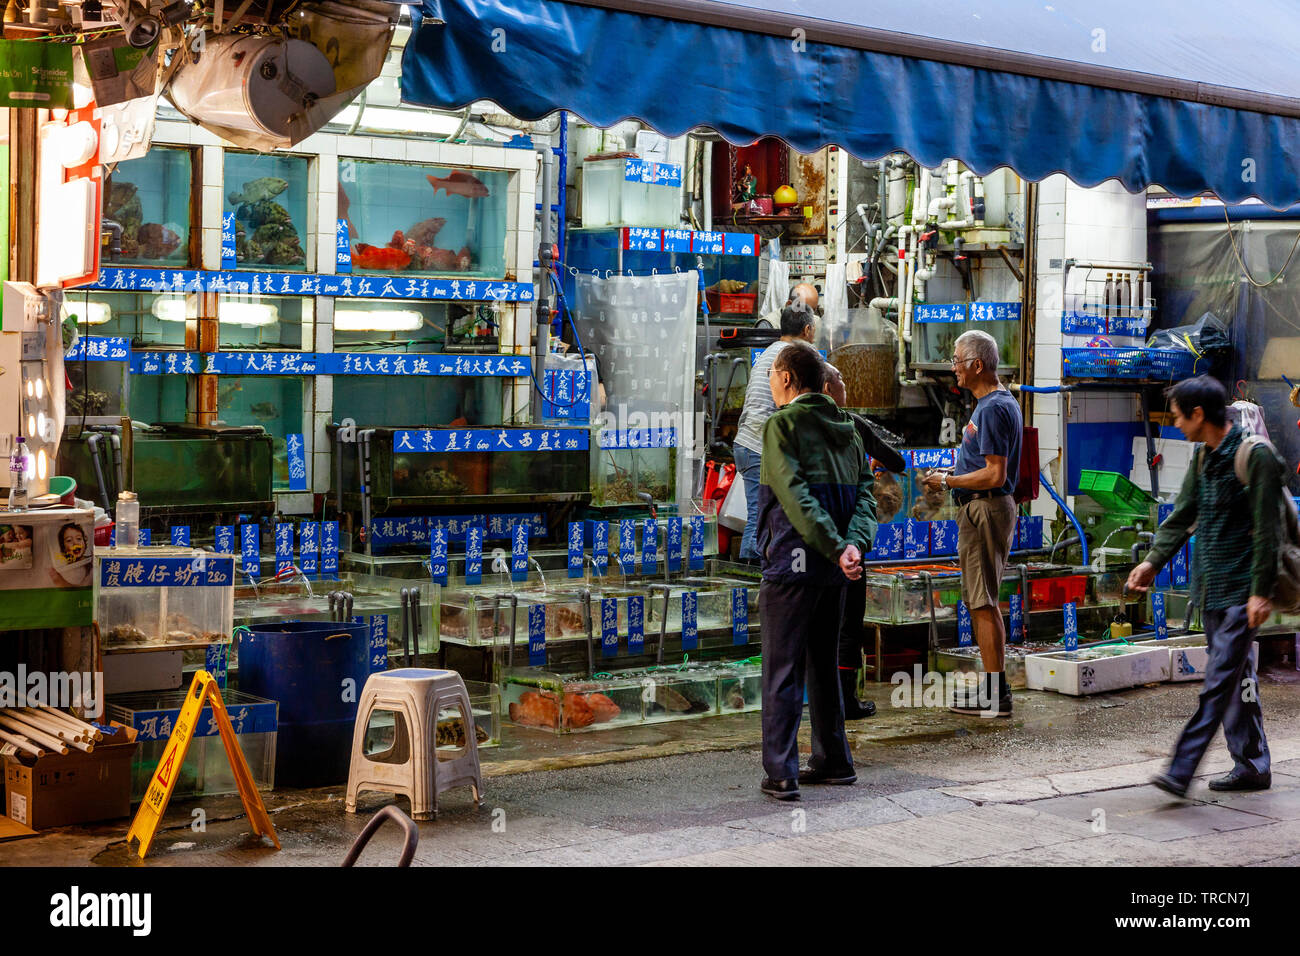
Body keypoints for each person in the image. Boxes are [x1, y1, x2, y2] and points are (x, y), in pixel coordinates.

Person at [1126, 375, 1283, 797]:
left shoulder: (1256, 457)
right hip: (1210, 590)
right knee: (1237, 679)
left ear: (1199, 414)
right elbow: (1182, 516)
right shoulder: (1202, 458)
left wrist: (1260, 590)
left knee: (1217, 683)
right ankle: (1252, 764)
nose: (1175, 423)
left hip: (1241, 591)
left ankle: (1180, 769)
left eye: (1178, 415)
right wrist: (1151, 562)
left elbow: (1269, 531)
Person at [756, 341, 877, 799]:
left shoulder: (781, 425)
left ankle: (781, 773)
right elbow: (867, 496)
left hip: (792, 564)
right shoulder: (848, 430)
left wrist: (832, 545)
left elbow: (794, 495)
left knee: (782, 669)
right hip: (835, 571)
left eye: (771, 375)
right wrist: (852, 547)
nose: (770, 384)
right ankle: (834, 760)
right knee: (823, 665)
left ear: (787, 378)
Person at [921, 330, 1021, 717]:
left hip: (985, 507)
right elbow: (983, 466)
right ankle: (995, 688)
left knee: (982, 602)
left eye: (958, 361)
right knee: (982, 601)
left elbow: (995, 475)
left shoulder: (993, 408)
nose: (954, 368)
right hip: (982, 505)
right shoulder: (992, 405)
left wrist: (948, 480)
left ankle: (996, 693)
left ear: (977, 365)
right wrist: (954, 471)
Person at [823, 361, 906, 719]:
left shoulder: (790, 427)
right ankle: (845, 701)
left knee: (822, 623)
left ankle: (822, 700)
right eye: (839, 378)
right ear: (827, 388)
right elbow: (897, 461)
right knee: (848, 623)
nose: (845, 382)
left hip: (813, 540)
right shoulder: (850, 423)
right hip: (849, 537)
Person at [732, 284, 819, 562]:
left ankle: (752, 574)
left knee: (761, 512)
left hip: (746, 441)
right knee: (761, 514)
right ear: (807, 331)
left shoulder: (771, 350)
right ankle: (749, 575)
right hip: (758, 445)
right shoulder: (796, 357)